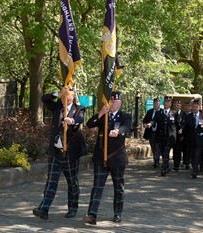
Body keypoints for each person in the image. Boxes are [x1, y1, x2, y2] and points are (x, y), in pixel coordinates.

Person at [33, 86, 87, 220]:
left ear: (72, 96)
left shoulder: (79, 109)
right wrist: (57, 93)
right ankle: (44, 209)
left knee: (72, 182)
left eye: (67, 94)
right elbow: (44, 99)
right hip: (56, 152)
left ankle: (73, 208)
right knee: (51, 181)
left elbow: (80, 118)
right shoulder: (57, 106)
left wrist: (72, 121)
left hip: (70, 153)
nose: (64, 97)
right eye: (63, 94)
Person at [82, 91, 131, 225]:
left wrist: (118, 131)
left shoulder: (125, 116)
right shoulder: (104, 116)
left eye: (115, 102)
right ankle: (92, 214)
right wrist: (101, 112)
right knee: (97, 186)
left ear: (120, 103)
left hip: (116, 157)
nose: (112, 104)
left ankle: (117, 213)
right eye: (111, 102)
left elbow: (127, 127)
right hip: (101, 157)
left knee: (118, 187)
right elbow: (90, 124)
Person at [153, 96, 179, 176]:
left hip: (170, 136)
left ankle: (164, 169)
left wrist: (180, 129)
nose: (167, 103)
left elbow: (178, 124)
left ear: (170, 104)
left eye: (169, 102)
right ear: (163, 103)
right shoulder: (159, 112)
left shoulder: (174, 113)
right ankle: (166, 166)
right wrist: (150, 124)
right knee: (164, 152)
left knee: (166, 152)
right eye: (165, 102)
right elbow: (154, 120)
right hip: (161, 136)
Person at [184, 99, 203, 178]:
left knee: (197, 155)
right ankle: (195, 167)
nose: (195, 108)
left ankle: (195, 171)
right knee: (192, 156)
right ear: (191, 107)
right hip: (191, 140)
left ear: (199, 107)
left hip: (200, 140)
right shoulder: (188, 117)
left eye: (196, 107)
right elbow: (185, 127)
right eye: (193, 107)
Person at [143, 98, 162, 168]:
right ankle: (156, 159)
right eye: (155, 103)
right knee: (153, 146)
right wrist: (145, 123)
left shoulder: (162, 112)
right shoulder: (149, 112)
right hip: (151, 132)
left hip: (159, 133)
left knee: (157, 147)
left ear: (160, 104)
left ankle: (156, 161)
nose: (156, 105)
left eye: (157, 103)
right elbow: (145, 120)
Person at [172, 99, 187, 171]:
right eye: (175, 104)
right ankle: (175, 164)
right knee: (175, 150)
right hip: (173, 135)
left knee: (181, 150)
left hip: (181, 135)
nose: (176, 106)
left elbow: (184, 124)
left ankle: (181, 164)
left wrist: (182, 132)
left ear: (180, 105)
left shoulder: (184, 114)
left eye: (178, 104)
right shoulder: (171, 113)